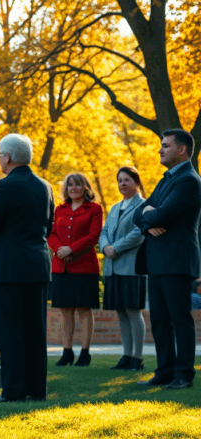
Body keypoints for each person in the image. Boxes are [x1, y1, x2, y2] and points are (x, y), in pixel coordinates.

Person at [0, 133, 54, 403]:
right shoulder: (45, 186)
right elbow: (49, 226)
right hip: (37, 265)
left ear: (7, 157)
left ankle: (12, 391)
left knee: (10, 331)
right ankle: (36, 389)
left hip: (8, 269)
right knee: (35, 330)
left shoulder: (3, 187)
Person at [134, 128, 200, 390]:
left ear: (181, 149)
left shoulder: (189, 180)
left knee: (180, 320)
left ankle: (184, 375)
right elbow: (139, 212)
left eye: (166, 146)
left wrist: (150, 215)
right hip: (157, 260)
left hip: (177, 260)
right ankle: (164, 372)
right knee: (160, 321)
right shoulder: (166, 179)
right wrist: (148, 224)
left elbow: (162, 214)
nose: (160, 150)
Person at [47, 173, 103, 367]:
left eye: (77, 184)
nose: (73, 188)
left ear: (85, 187)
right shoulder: (59, 209)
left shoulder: (94, 209)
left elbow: (94, 235)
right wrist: (59, 250)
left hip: (85, 267)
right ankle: (67, 351)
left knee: (84, 309)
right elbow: (51, 234)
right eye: (70, 185)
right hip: (61, 267)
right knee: (65, 310)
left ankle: (85, 353)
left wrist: (71, 249)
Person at [99, 166, 147, 371]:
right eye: (120, 180)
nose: (123, 184)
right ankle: (126, 355)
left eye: (127, 180)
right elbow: (103, 232)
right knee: (121, 312)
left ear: (136, 182)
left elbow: (138, 233)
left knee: (133, 311)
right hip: (112, 267)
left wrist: (115, 248)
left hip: (131, 267)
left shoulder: (143, 206)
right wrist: (105, 247)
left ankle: (138, 357)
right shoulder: (114, 208)